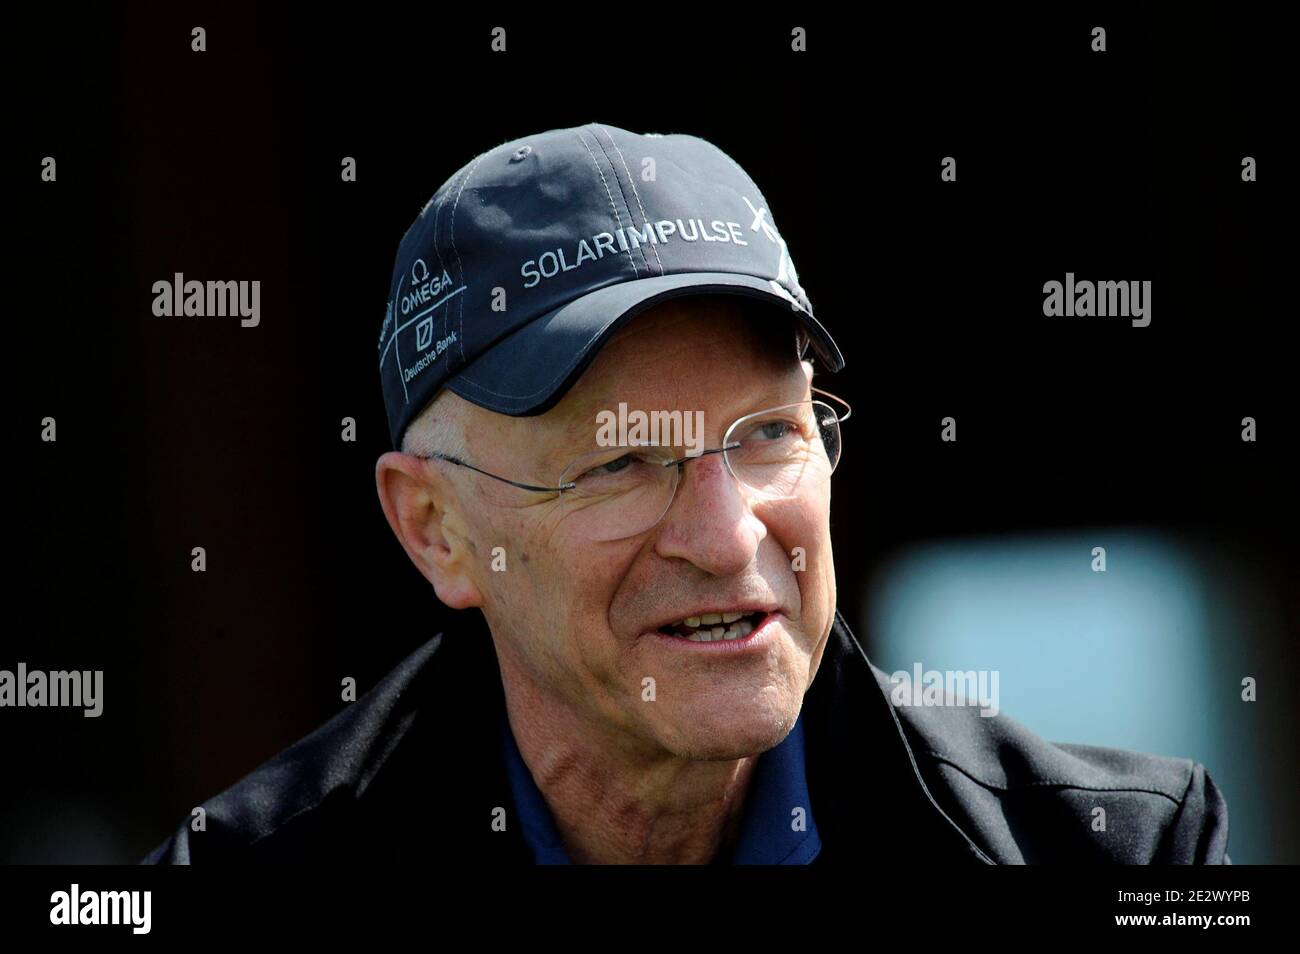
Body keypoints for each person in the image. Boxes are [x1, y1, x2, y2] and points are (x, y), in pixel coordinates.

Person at [143, 123, 1229, 864]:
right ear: (436, 530)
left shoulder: (1116, 850)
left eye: (767, 435)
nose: (724, 535)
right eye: (621, 460)